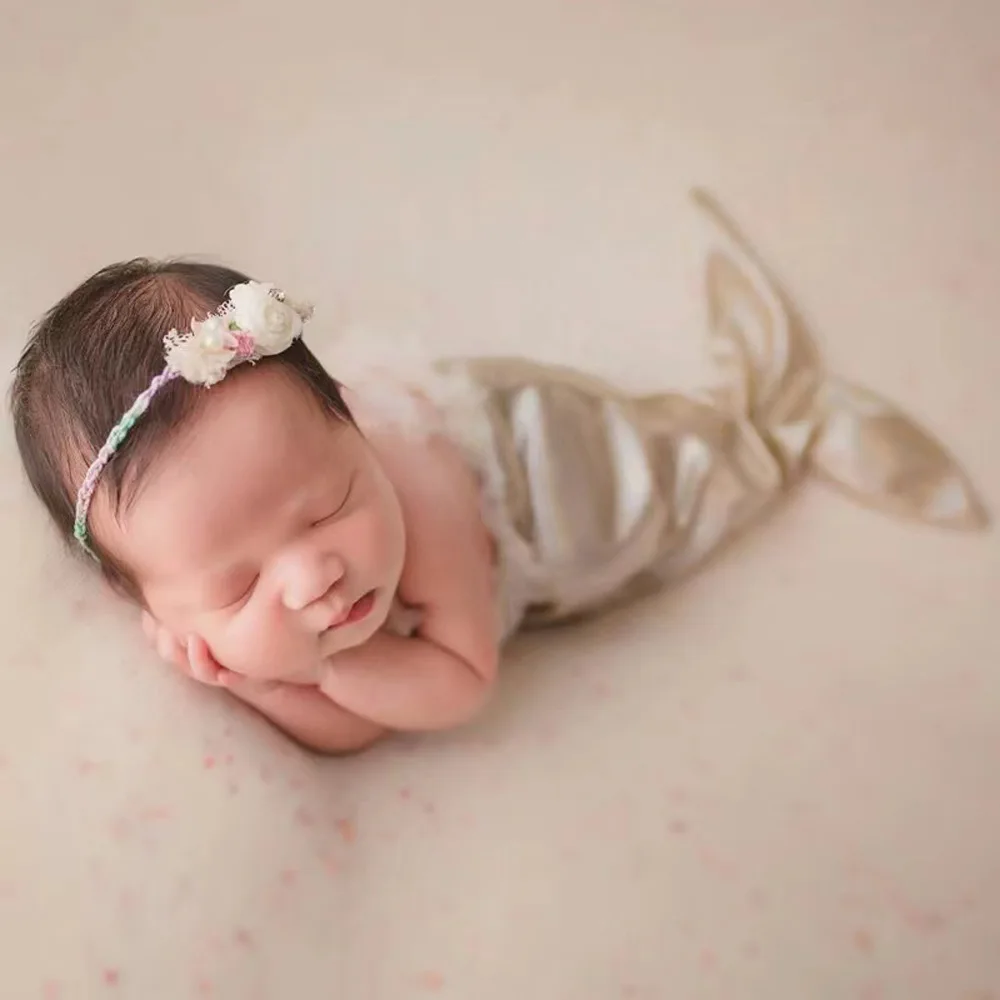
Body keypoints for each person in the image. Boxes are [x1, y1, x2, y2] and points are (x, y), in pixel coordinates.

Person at [10, 193, 987, 753]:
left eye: (332, 504)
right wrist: (267, 683)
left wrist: (309, 662)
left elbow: (453, 686)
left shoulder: (418, 509)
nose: (312, 577)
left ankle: (774, 426)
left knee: (676, 488)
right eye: (234, 583)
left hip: (543, 478)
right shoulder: (250, 561)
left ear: (348, 420)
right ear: (149, 599)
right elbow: (347, 729)